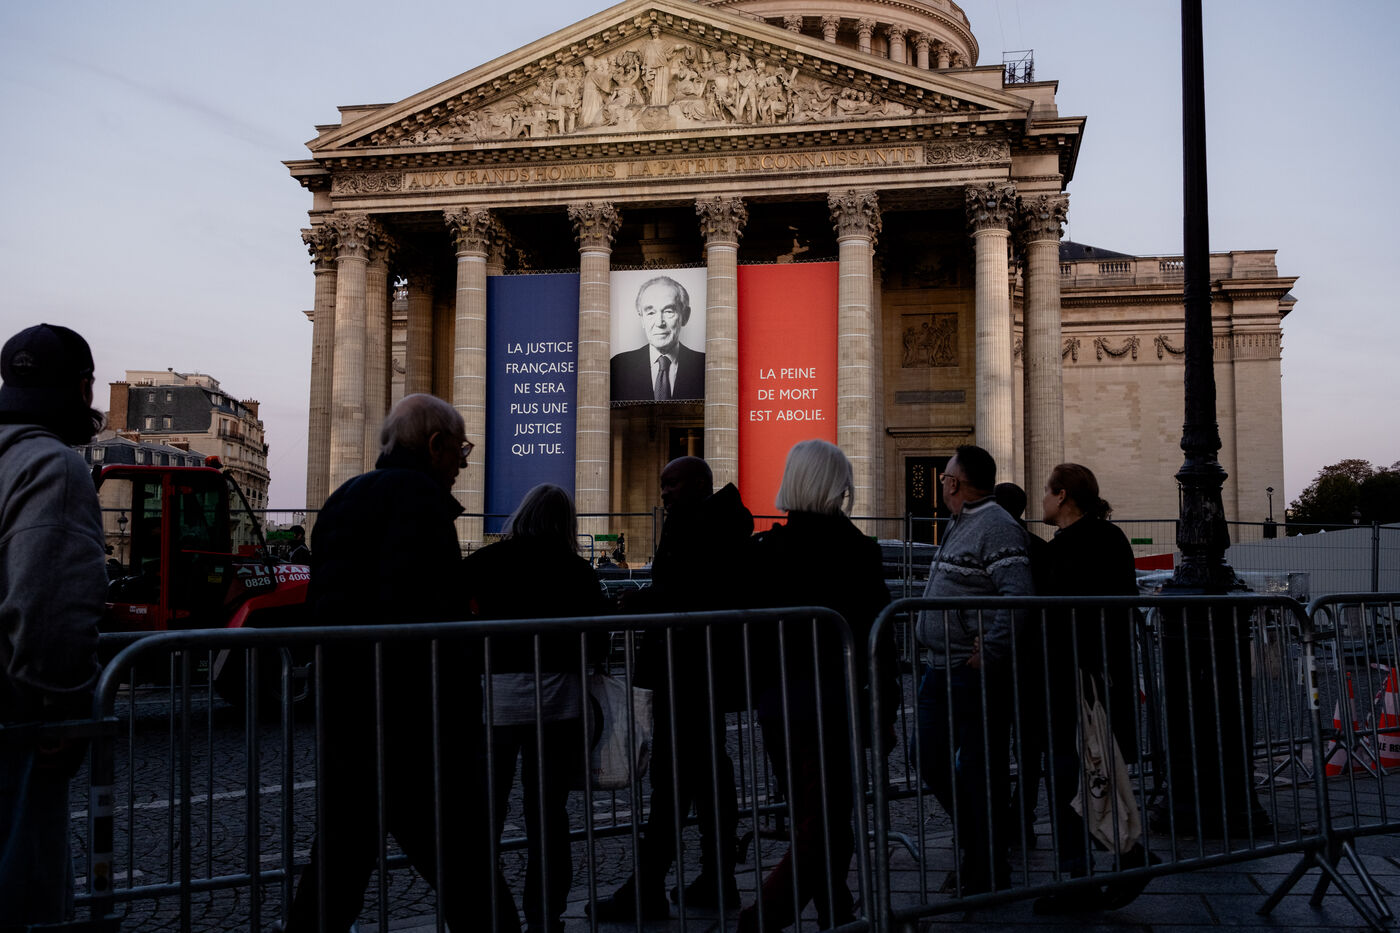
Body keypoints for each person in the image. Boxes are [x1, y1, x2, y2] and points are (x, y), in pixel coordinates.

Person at [285, 394, 513, 933]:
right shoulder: (421, 502)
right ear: (434, 445)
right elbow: (431, 616)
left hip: (348, 711)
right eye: (461, 450)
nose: (463, 464)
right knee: (469, 875)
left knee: (335, 870)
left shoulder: (342, 497)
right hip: (416, 721)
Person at [737, 439, 895, 933]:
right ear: (837, 487)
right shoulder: (858, 551)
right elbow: (880, 639)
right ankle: (763, 918)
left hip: (779, 702)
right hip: (833, 703)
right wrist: (885, 711)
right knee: (825, 825)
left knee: (815, 818)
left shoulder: (767, 550)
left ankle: (837, 914)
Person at [591, 456, 752, 921]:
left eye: (672, 483)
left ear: (700, 483)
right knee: (707, 775)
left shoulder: (694, 523)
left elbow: (689, 590)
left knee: (673, 778)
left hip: (685, 668)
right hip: (704, 668)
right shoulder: (720, 521)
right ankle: (715, 877)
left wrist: (642, 600)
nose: (664, 492)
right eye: (662, 483)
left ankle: (649, 886)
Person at [463, 484, 607, 933]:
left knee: (486, 813)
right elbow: (598, 639)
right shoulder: (576, 570)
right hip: (557, 703)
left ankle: (487, 913)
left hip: (496, 700)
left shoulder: (484, 562)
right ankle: (546, 915)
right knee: (548, 815)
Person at [0, 324, 106, 926]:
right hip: (17, 723)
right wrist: (64, 710)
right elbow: (46, 608)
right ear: (83, 388)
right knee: (27, 893)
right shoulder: (52, 466)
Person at [1033, 463, 1151, 914]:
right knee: (1091, 775)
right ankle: (1117, 860)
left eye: (1047, 492)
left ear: (1063, 495)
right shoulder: (1111, 538)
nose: (1042, 500)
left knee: (1072, 777)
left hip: (1077, 681)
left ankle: (1098, 869)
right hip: (1100, 676)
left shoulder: (1068, 548)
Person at [915, 445, 1034, 895]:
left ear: (955, 483)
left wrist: (992, 649)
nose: (942, 484)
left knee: (978, 768)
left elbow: (1017, 595)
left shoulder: (996, 525)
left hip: (970, 670)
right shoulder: (959, 521)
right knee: (927, 756)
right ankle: (980, 844)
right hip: (940, 667)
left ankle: (986, 861)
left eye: (945, 477)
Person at [992, 482, 1050, 848]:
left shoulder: (997, 548)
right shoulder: (1042, 548)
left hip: (1003, 659)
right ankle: (1023, 816)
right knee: (1028, 748)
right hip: (1034, 659)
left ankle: (999, 818)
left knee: (995, 745)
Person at [610, 275, 705, 402]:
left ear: (685, 316)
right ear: (642, 319)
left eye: (668, 311)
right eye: (651, 313)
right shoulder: (618, 366)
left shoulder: (705, 366)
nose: (659, 323)